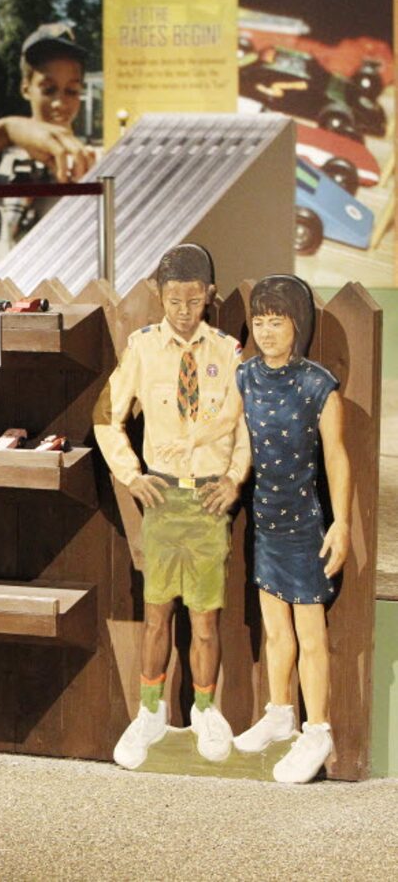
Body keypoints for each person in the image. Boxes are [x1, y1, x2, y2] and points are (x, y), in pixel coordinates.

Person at [166, 275, 352, 782]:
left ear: (299, 325)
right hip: (264, 524)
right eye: (261, 323)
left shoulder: (318, 386)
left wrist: (343, 526)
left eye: (279, 322)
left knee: (310, 635)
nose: (268, 333)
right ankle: (279, 714)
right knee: (275, 631)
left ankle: (319, 731)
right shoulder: (244, 377)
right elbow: (228, 433)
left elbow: (336, 459)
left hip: (306, 528)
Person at [93, 243, 250, 768]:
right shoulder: (142, 349)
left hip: (206, 501)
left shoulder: (228, 353)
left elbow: (245, 428)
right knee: (156, 614)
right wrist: (131, 476)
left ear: (209, 296)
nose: (183, 311)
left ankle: (206, 709)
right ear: (158, 295)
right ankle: (151, 711)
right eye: (173, 301)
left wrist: (233, 478)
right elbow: (105, 417)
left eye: (193, 300)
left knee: (205, 619)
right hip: (161, 497)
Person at [0, 22, 97, 275]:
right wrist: (10, 129)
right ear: (25, 87)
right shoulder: (4, 154)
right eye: (48, 89)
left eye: (71, 90)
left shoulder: (88, 161)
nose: (60, 103)